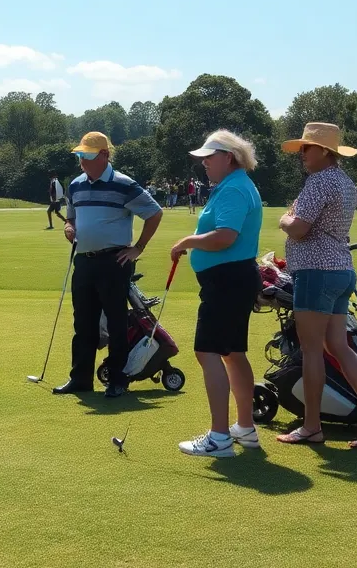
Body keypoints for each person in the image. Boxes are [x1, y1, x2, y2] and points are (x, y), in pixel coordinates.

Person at [275, 123, 357, 447]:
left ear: (324, 151)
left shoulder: (319, 181)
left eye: (306, 149)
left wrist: (284, 219)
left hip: (315, 271)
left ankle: (311, 426)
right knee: (338, 345)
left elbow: (298, 228)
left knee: (311, 351)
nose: (302, 156)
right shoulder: (344, 182)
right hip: (340, 270)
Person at [170, 131, 263, 457]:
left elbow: (225, 236)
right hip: (232, 279)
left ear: (230, 157)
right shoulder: (234, 185)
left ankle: (220, 437)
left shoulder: (234, 188)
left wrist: (187, 242)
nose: (205, 163)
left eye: (210, 157)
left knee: (207, 351)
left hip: (227, 281)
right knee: (232, 353)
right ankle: (245, 428)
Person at [54, 132, 163, 398]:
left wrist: (138, 248)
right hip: (84, 261)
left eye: (87, 156)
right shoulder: (76, 185)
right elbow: (71, 217)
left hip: (115, 261)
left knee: (116, 322)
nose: (82, 161)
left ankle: (117, 380)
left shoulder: (124, 184)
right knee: (83, 323)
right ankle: (80, 379)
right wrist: (69, 227)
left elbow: (154, 212)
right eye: (80, 155)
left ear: (104, 155)